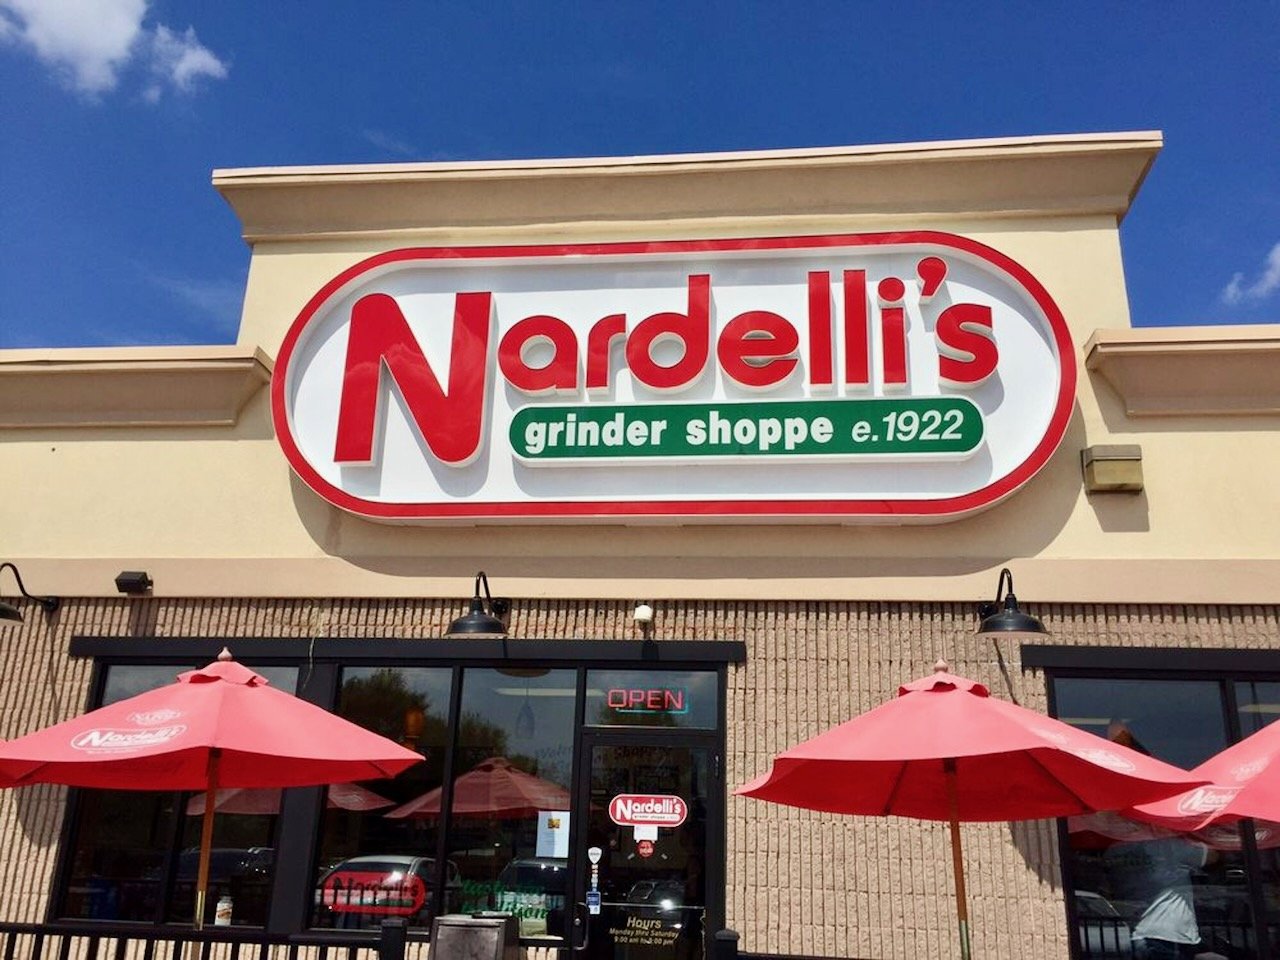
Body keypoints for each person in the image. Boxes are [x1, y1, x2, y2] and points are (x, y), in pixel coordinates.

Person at [1127, 836, 1211, 960]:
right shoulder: (1170, 845)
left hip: (1149, 933)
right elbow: (1212, 856)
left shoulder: (1125, 849)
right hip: (1166, 935)